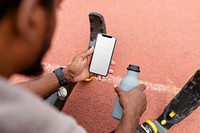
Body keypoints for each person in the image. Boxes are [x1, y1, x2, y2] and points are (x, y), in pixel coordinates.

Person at [0, 0, 147, 133]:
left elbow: (9, 95)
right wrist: (132, 114)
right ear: (30, 16)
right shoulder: (48, 125)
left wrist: (67, 74)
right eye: (57, 9)